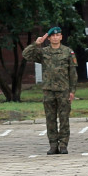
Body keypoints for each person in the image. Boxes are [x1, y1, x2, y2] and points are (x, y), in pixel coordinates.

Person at [23, 26, 78, 154]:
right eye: (52, 36)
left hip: (63, 90)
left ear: (61, 37)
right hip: (48, 90)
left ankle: (63, 144)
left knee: (64, 118)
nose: (55, 37)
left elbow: (73, 73)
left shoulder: (68, 52)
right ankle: (53, 145)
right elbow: (26, 54)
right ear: (49, 38)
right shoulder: (44, 52)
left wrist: (72, 91)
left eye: (57, 35)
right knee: (50, 119)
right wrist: (36, 44)